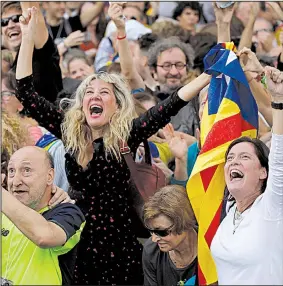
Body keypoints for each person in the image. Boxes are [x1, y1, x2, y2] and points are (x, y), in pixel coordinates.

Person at [15, 7, 211, 285]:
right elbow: (25, 91)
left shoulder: (124, 134)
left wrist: (207, 77)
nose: (95, 96)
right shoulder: (68, 132)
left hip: (119, 245)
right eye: (89, 92)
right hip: (78, 242)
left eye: (104, 93)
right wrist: (25, 37)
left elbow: (169, 106)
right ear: (82, 104)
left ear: (116, 106)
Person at [210, 66, 283, 285]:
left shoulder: (272, 207)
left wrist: (278, 100)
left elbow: (279, 158)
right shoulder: (230, 208)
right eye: (230, 158)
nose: (234, 162)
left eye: (244, 157)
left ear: (263, 171)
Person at [1, 146, 85, 285]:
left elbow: (44, 236)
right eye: (11, 171)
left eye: (27, 171)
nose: (16, 182)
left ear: (50, 176)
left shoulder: (69, 213)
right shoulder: (5, 209)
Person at [143, 185, 198, 286]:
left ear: (184, 223)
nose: (154, 239)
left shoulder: (212, 247)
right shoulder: (151, 250)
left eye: (161, 232)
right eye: (151, 231)